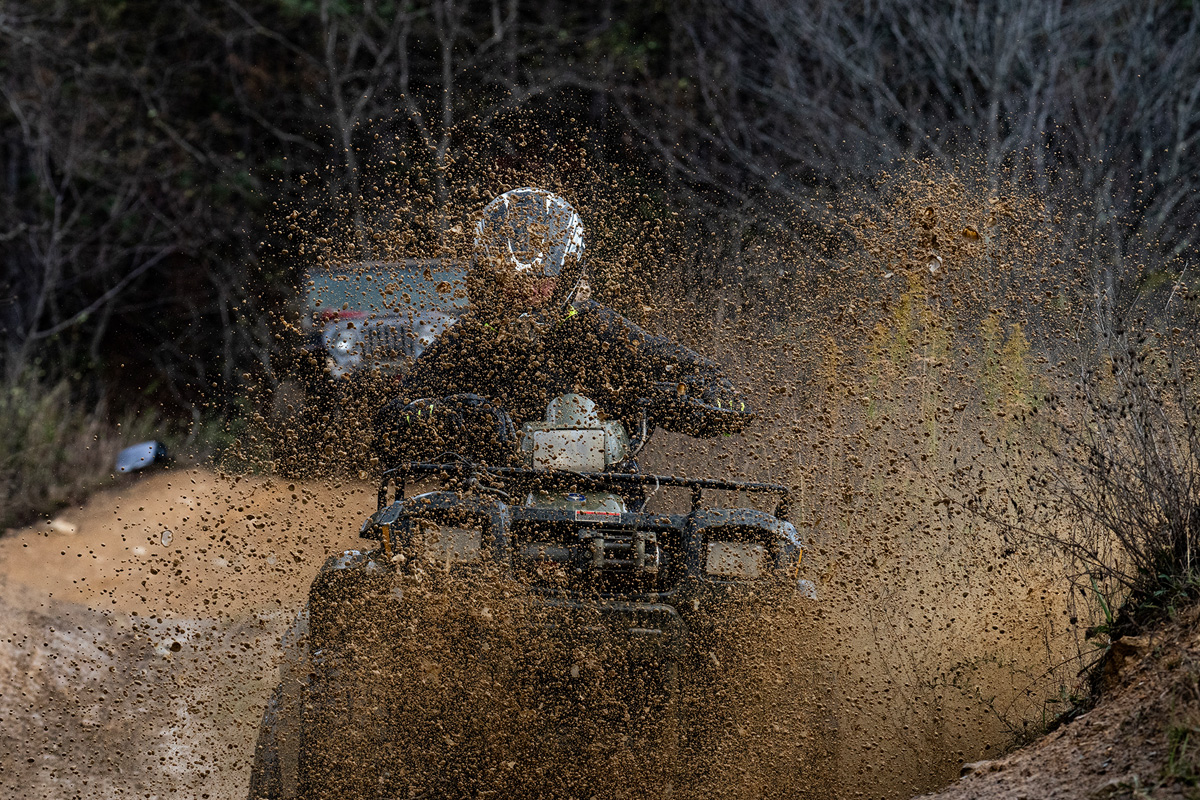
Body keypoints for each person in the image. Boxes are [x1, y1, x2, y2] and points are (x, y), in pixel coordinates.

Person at [373, 187, 752, 468]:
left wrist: (700, 399)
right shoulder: (468, 339)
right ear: (488, 277)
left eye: (543, 277)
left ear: (567, 272)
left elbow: (705, 378)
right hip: (493, 493)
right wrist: (456, 416)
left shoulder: (601, 329)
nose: (528, 291)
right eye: (510, 280)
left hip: (614, 494)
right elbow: (390, 423)